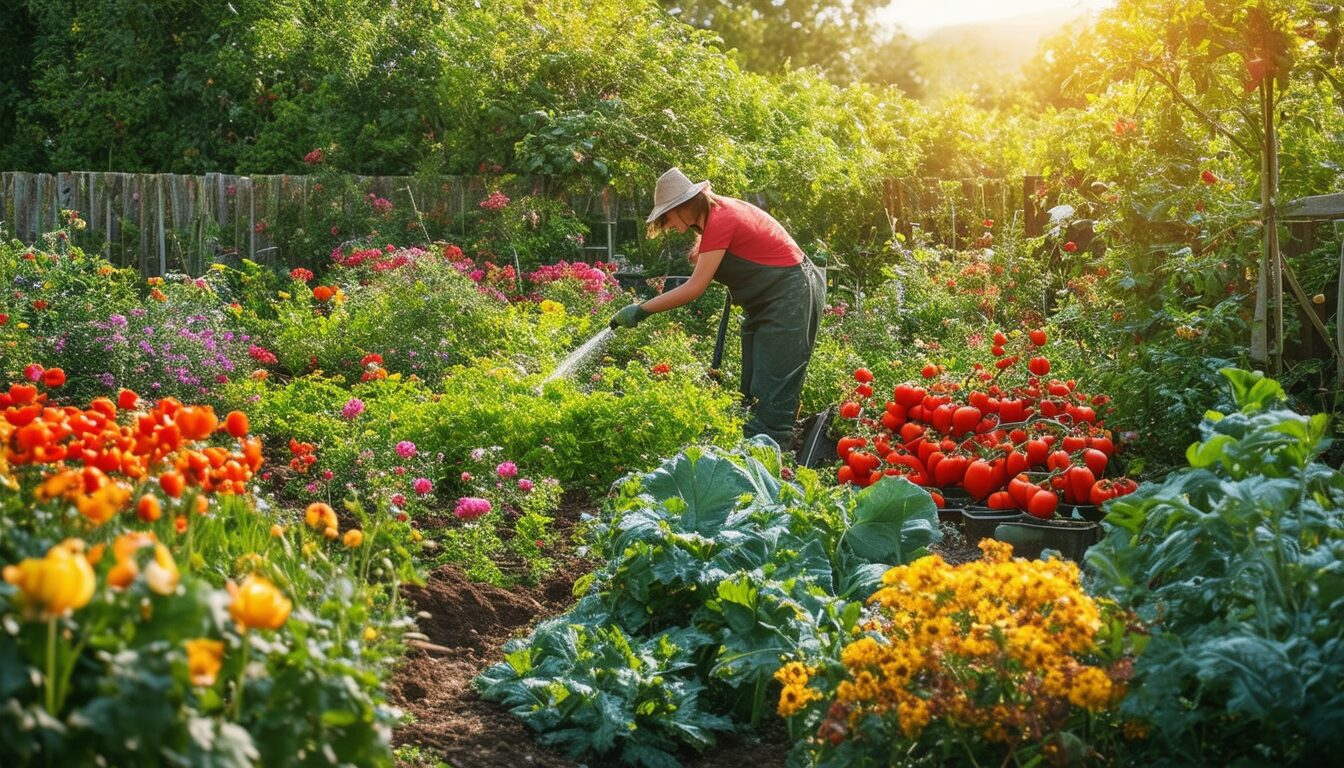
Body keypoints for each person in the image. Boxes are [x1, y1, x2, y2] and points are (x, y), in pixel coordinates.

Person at [609, 167, 826, 448]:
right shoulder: (716, 216)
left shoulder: (722, 219)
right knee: (750, 390)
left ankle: (775, 469)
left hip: (791, 296)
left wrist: (641, 310)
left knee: (772, 394)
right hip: (769, 301)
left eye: (669, 217)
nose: (670, 225)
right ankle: (754, 456)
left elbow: (694, 288)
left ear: (684, 206)